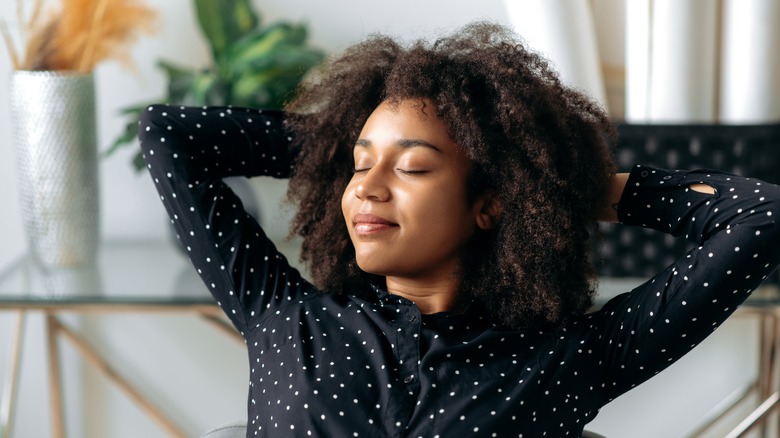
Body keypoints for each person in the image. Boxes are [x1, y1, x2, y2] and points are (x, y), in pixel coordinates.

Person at [138, 21, 780, 437]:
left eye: (412, 166)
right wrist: (335, 148)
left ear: (491, 202)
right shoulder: (282, 314)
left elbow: (761, 217)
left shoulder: (567, 359)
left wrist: (564, 186)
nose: (365, 187)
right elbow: (167, 134)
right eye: (359, 166)